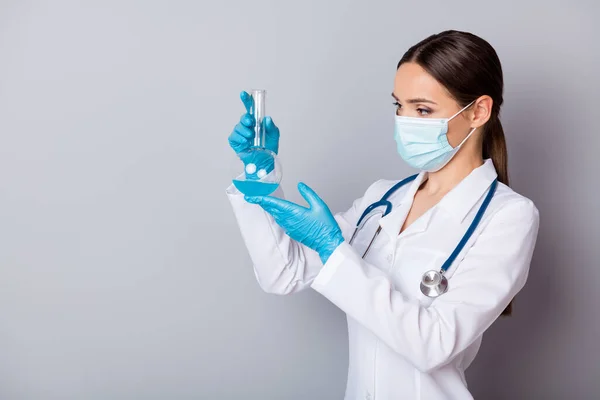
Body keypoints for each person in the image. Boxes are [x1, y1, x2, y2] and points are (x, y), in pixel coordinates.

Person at [226, 30, 539, 400]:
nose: (404, 120)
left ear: (478, 111)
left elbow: (433, 345)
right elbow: (283, 274)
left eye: (422, 109)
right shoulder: (382, 199)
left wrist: (334, 250)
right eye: (399, 106)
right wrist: (258, 179)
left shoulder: (509, 216)